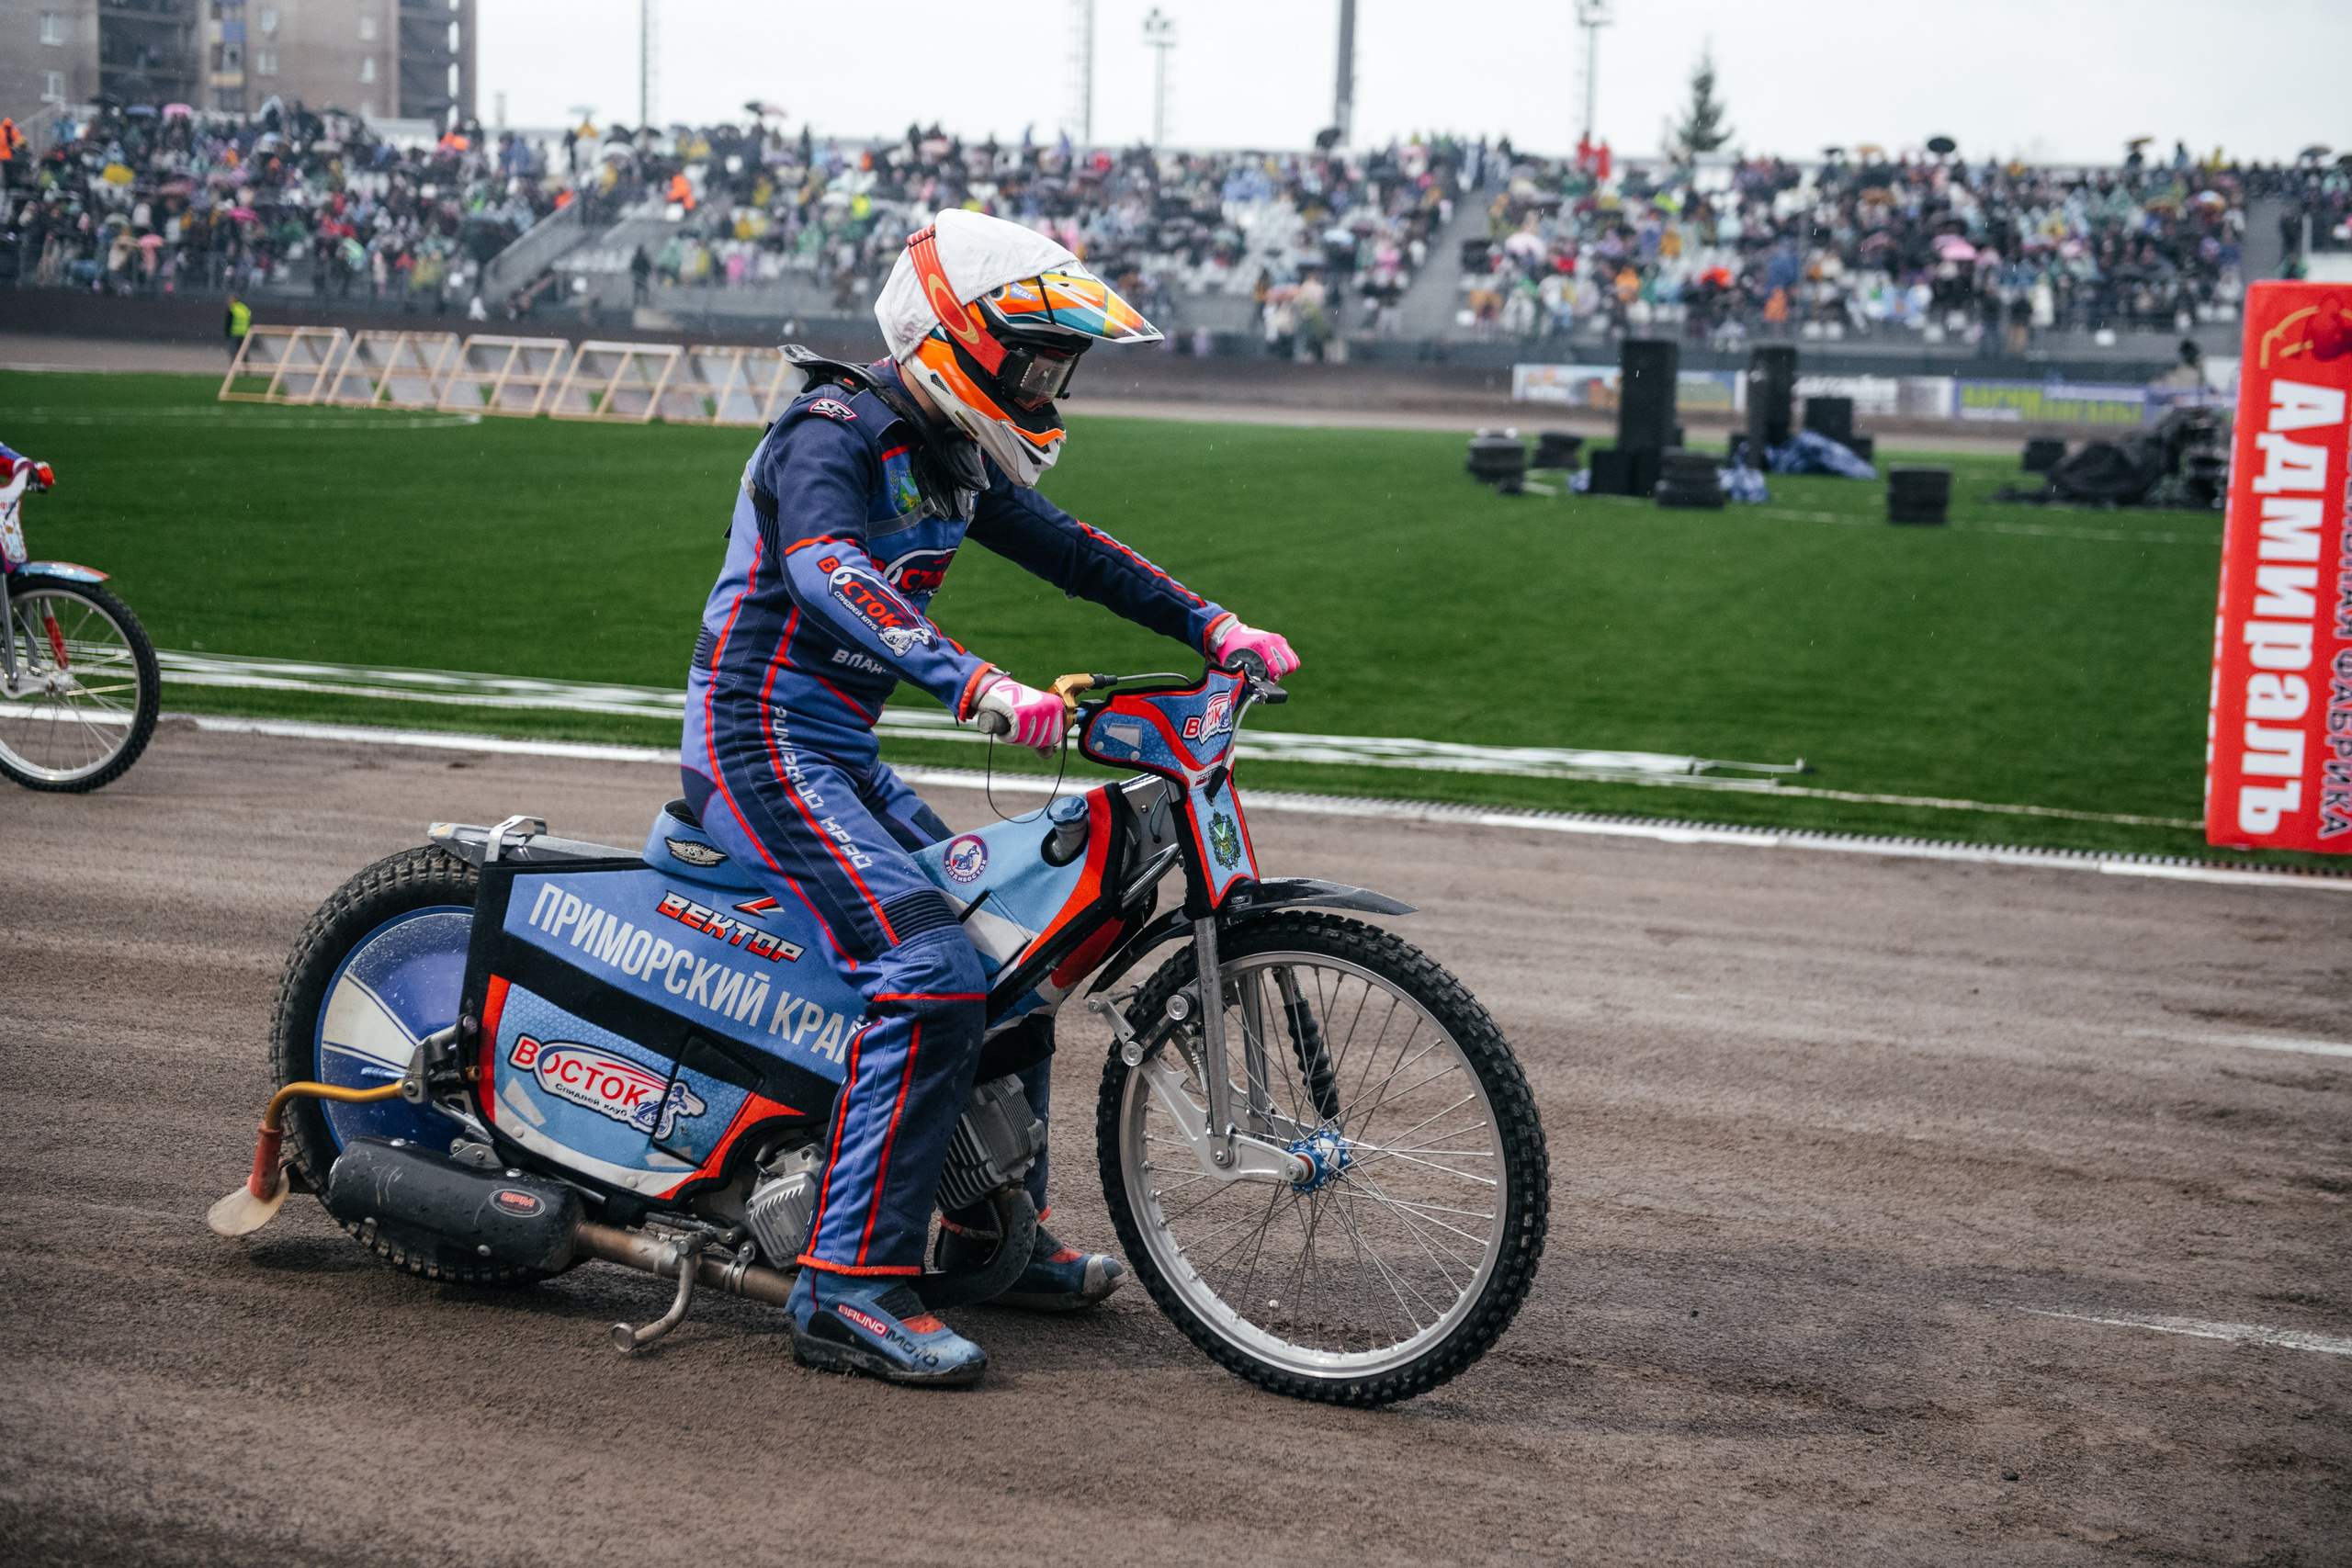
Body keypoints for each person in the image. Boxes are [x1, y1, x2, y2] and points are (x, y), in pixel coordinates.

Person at [679, 209, 1298, 1386]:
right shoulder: (832, 430)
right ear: (953, 341)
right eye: (1036, 361)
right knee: (928, 972)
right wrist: (977, 686)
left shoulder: (954, 452)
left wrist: (1212, 624)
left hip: (835, 751)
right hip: (755, 743)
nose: (1050, 389)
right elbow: (826, 572)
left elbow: (1074, 548)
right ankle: (847, 1286)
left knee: (1014, 954)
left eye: (1059, 368)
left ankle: (981, 1233)